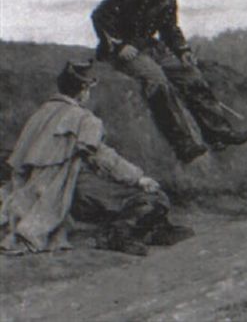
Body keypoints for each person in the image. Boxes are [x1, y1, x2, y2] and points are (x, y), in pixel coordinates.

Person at [0, 60, 193, 256]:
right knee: (153, 197)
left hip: (30, 192)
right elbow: (101, 157)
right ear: (83, 89)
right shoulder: (84, 118)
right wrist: (138, 178)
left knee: (109, 191)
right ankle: (120, 235)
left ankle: (153, 228)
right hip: (63, 191)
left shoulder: (40, 114)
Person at [91, 0, 247, 163]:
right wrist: (119, 45)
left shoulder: (169, 1)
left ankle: (218, 133)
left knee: (191, 75)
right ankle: (184, 144)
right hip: (121, 52)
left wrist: (183, 51)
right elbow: (100, 15)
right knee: (156, 80)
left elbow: (170, 30)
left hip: (149, 47)